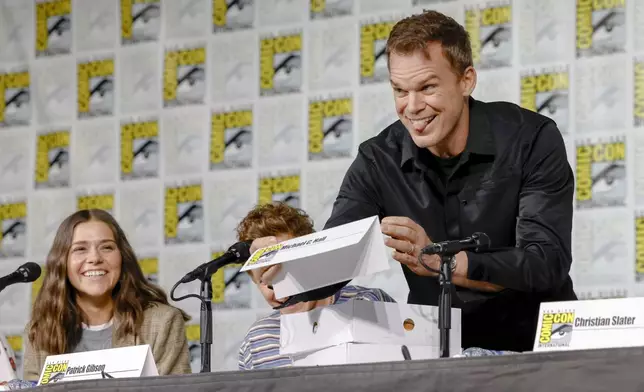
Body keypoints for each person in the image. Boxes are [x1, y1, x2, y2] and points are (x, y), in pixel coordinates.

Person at [254, 10, 576, 353]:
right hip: (441, 355)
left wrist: (441, 261)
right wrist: (284, 269)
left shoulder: (531, 139)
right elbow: (335, 257)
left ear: (466, 81)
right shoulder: (378, 160)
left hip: (541, 348)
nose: (412, 107)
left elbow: (545, 263)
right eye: (399, 90)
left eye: (427, 87)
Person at [23, 209, 191, 380]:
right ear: (61, 263)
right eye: (80, 249)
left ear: (122, 257)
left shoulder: (161, 323)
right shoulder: (39, 331)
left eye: (107, 247)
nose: (95, 258)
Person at [236, 203, 396, 370]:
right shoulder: (257, 341)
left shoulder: (368, 304)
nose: (283, 296)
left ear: (312, 256)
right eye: (267, 282)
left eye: (286, 274)